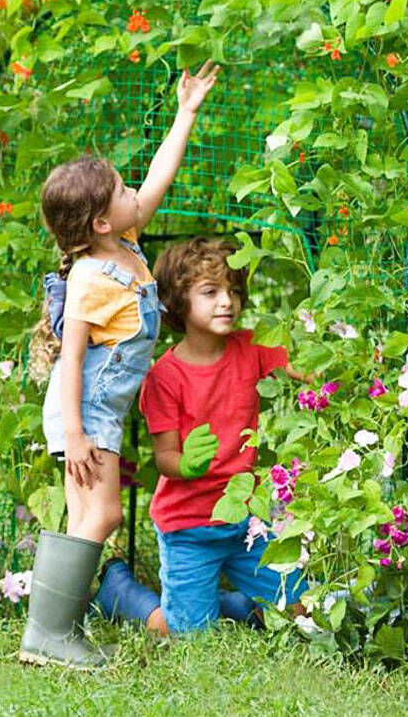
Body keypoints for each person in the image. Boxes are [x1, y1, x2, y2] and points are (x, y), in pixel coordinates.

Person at [19, 62, 229, 669]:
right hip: (82, 414)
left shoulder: (127, 247)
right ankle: (49, 633)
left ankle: (54, 629)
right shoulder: (91, 277)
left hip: (90, 414)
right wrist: (79, 436)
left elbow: (160, 176)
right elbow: (72, 360)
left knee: (87, 516)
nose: (136, 192)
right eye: (122, 191)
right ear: (100, 223)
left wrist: (185, 113)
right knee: (104, 513)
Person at [93, 237, 307, 635]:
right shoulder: (164, 377)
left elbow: (308, 368)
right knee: (186, 632)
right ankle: (119, 590)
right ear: (178, 302)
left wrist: (349, 365)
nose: (226, 301)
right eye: (210, 292)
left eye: (234, 291)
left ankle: (237, 602)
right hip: (189, 528)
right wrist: (187, 464)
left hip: (248, 523)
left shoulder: (252, 347)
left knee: (305, 611)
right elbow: (165, 459)